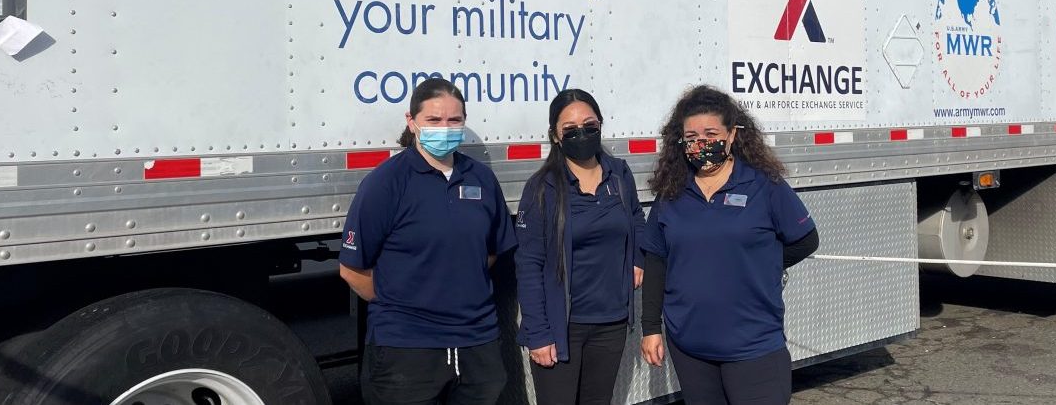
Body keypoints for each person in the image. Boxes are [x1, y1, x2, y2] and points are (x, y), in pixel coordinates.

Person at [339, 77, 517, 405]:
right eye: (433, 120)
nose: (445, 128)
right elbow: (353, 270)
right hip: (406, 351)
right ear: (412, 121)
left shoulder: (481, 179)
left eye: (454, 120)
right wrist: (408, 302)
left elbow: (490, 252)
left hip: (477, 345)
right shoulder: (386, 183)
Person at [639, 85, 820, 405]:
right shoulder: (671, 192)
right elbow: (656, 259)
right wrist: (651, 327)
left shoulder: (764, 184)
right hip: (691, 349)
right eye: (691, 137)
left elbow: (805, 240)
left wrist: (759, 266)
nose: (700, 144)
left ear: (732, 135)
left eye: (710, 133)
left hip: (754, 347)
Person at [516, 89, 646, 405]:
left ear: (600, 124)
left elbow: (636, 219)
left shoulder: (619, 174)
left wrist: (637, 258)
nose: (581, 133)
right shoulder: (543, 186)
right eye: (570, 128)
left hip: (610, 323)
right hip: (562, 327)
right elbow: (528, 263)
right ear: (556, 137)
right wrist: (539, 333)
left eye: (589, 124)